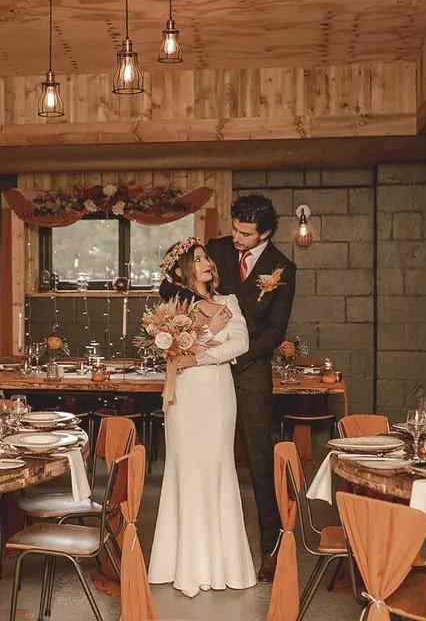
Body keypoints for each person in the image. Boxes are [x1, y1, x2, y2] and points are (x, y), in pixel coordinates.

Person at [158, 195, 296, 583]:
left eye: (245, 233)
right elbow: (173, 286)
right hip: (198, 376)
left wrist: (230, 352)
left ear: (265, 233)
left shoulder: (283, 268)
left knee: (258, 460)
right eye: (234, 228)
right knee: (198, 460)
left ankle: (270, 547)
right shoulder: (214, 249)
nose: (235, 237)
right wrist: (205, 317)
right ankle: (192, 549)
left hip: (249, 371)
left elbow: (275, 329)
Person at [148, 238, 257, 598]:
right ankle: (179, 564)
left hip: (218, 393)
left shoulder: (229, 302)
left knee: (217, 468)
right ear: (184, 269)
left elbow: (240, 344)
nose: (207, 262)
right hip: (186, 397)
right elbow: (175, 350)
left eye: (206, 257)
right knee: (186, 470)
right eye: (198, 259)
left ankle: (225, 565)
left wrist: (201, 357)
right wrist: (209, 334)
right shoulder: (175, 306)